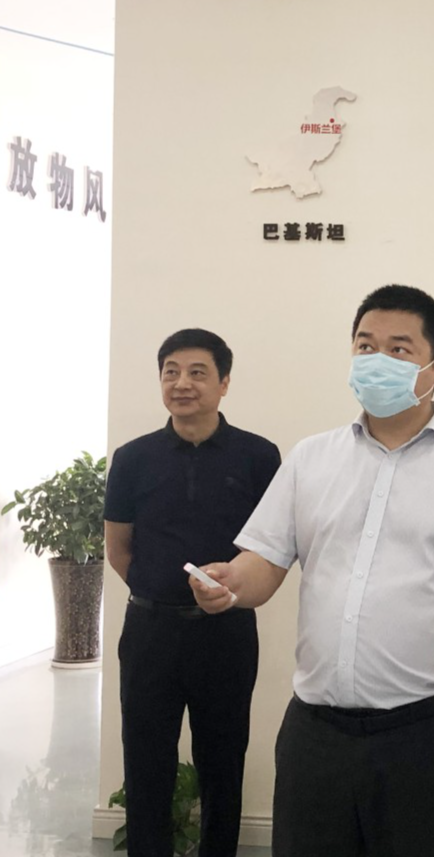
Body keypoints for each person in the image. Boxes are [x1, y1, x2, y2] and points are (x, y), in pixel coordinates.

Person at [188, 285, 434, 857]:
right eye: (365, 346)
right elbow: (264, 562)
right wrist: (231, 584)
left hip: (426, 733)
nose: (376, 360)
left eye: (399, 349)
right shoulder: (312, 458)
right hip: (315, 734)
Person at [104, 328, 281, 857]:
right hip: (150, 631)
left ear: (224, 382)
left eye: (197, 372)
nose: (182, 383)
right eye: (171, 372)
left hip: (226, 632)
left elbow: (271, 546)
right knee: (145, 762)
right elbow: (119, 548)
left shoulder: (259, 456)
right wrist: (159, 591)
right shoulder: (132, 458)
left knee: (223, 762)